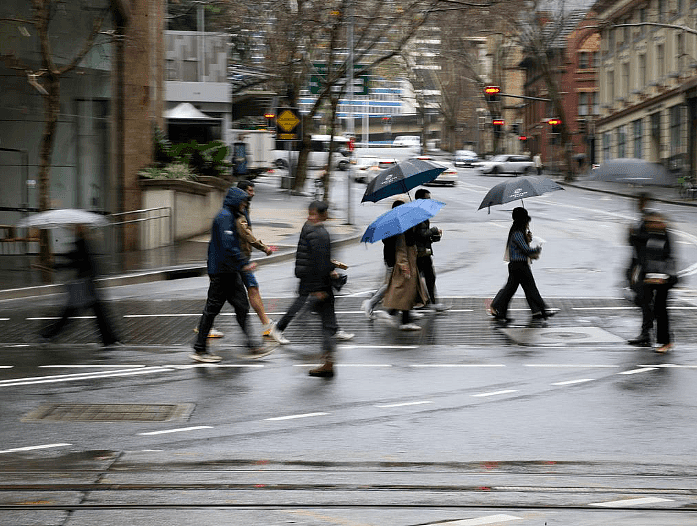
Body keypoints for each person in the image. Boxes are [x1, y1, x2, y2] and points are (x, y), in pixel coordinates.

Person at [191, 187, 268, 363]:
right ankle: (200, 349)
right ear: (235, 201)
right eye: (242, 202)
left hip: (229, 271)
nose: (243, 205)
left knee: (241, 306)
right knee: (212, 309)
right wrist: (244, 264)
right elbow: (228, 246)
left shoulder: (229, 215)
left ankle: (252, 345)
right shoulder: (225, 217)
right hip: (222, 271)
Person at [270, 201, 342, 377]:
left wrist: (330, 268)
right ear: (322, 214)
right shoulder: (319, 233)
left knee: (327, 323)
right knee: (326, 324)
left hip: (315, 283)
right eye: (325, 213)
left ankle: (328, 361)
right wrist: (321, 284)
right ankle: (328, 362)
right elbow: (317, 261)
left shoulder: (309, 228)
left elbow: (313, 259)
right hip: (320, 286)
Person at [41, 224, 121, 347]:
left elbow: (74, 262)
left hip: (84, 284)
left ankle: (48, 334)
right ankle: (109, 339)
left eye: (74, 228)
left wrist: (54, 264)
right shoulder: (84, 243)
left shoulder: (81, 243)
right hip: (86, 285)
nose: (72, 230)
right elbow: (79, 262)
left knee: (73, 314)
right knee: (83, 314)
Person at [489, 207, 554, 322]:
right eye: (526, 221)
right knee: (530, 288)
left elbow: (522, 247)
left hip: (516, 266)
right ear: (522, 220)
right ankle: (542, 309)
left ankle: (502, 311)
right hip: (519, 266)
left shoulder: (517, 232)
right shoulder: (518, 234)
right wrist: (536, 249)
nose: (528, 223)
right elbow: (525, 250)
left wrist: (528, 239)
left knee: (512, 289)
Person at [628, 211, 677, 353]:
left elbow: (666, 256)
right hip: (651, 277)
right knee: (652, 306)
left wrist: (663, 275)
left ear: (661, 223)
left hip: (664, 278)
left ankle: (665, 341)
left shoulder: (664, 236)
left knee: (660, 309)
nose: (651, 225)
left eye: (654, 222)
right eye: (649, 222)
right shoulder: (651, 235)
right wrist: (631, 235)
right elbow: (638, 247)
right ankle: (660, 338)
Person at [235, 181, 276, 338]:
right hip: (236, 259)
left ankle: (265, 324)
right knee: (251, 288)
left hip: (241, 257)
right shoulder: (237, 211)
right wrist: (263, 247)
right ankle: (265, 325)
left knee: (251, 289)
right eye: (250, 191)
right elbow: (246, 233)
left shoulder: (243, 207)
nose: (253, 193)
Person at [361, 199, 404, 319]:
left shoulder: (393, 221)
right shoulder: (393, 223)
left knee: (393, 283)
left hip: (391, 256)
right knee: (390, 284)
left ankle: (399, 308)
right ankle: (371, 303)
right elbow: (389, 241)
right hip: (392, 257)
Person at [380, 222, 429, 331]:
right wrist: (403, 265)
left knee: (407, 293)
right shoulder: (402, 232)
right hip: (406, 266)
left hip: (410, 264)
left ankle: (395, 314)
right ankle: (402, 320)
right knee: (404, 293)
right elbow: (401, 249)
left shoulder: (408, 230)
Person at [414, 188, 446, 311]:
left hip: (423, 251)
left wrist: (433, 237)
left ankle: (430, 301)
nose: (430, 201)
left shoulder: (421, 212)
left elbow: (422, 234)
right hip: (420, 253)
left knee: (427, 277)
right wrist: (434, 230)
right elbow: (420, 234)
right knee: (428, 277)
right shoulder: (418, 214)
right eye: (427, 198)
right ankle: (429, 302)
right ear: (421, 200)